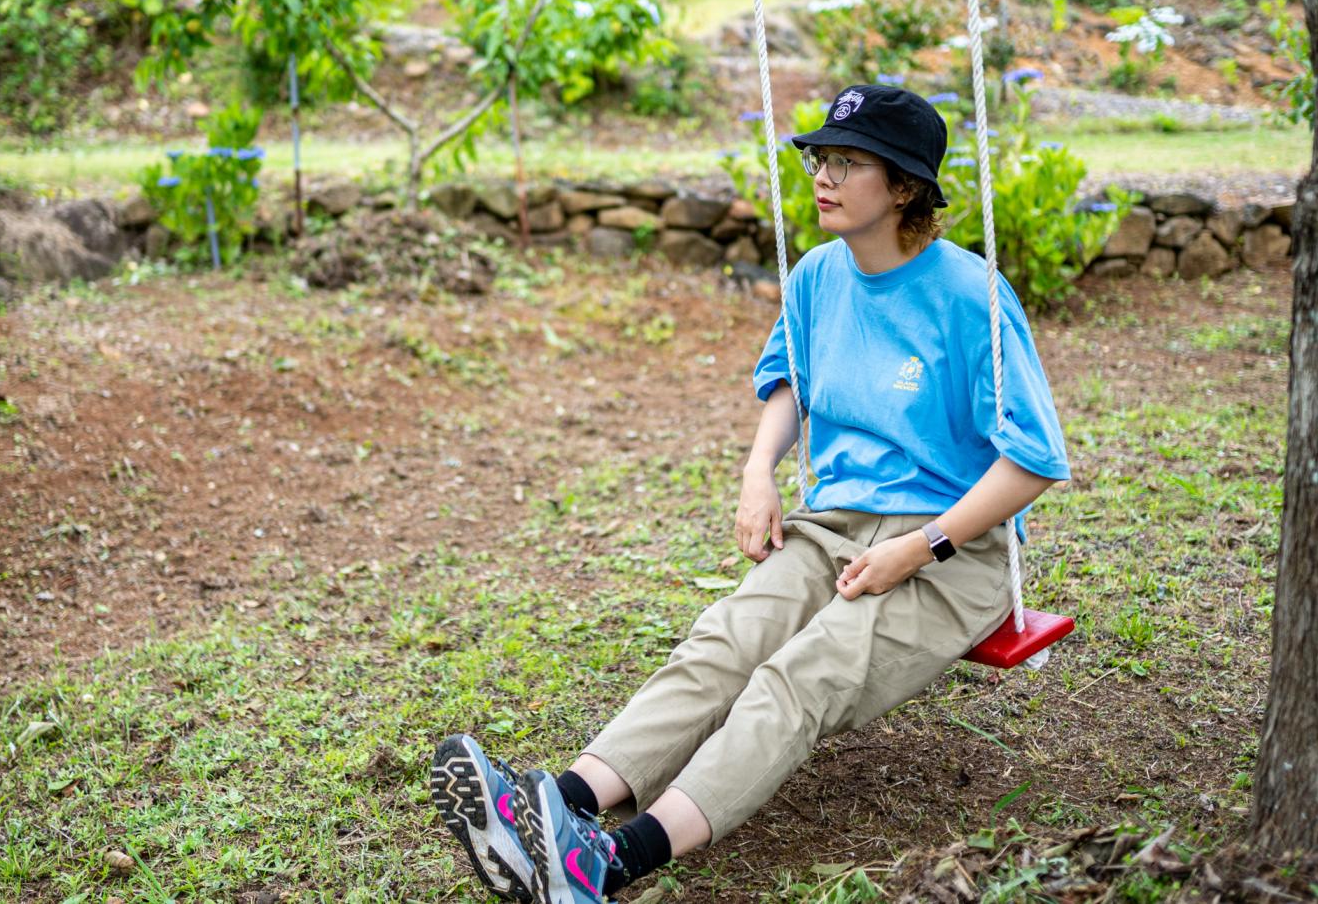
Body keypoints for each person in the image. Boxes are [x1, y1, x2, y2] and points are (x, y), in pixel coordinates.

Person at [430, 84, 1072, 903]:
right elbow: (790, 383)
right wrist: (759, 469)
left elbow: (1035, 461)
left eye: (848, 162)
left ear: (906, 187)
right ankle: (556, 804)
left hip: (952, 548)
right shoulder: (817, 276)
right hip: (835, 522)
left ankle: (606, 863)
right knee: (725, 640)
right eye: (819, 158)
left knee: (799, 676)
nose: (823, 176)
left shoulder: (968, 295)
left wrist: (920, 546)